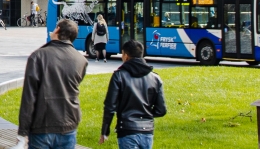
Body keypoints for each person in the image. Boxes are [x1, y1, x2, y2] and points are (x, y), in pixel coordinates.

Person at [17, 19, 89, 149]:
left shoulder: (38, 56)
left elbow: (29, 97)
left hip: (42, 125)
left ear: (57, 30)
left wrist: (23, 131)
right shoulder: (81, 60)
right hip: (69, 122)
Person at [100, 40, 168, 149]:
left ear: (126, 56)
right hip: (147, 131)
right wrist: (146, 114)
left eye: (122, 54)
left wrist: (105, 131)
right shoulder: (155, 78)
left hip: (127, 129)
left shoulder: (119, 76)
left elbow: (110, 106)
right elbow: (161, 110)